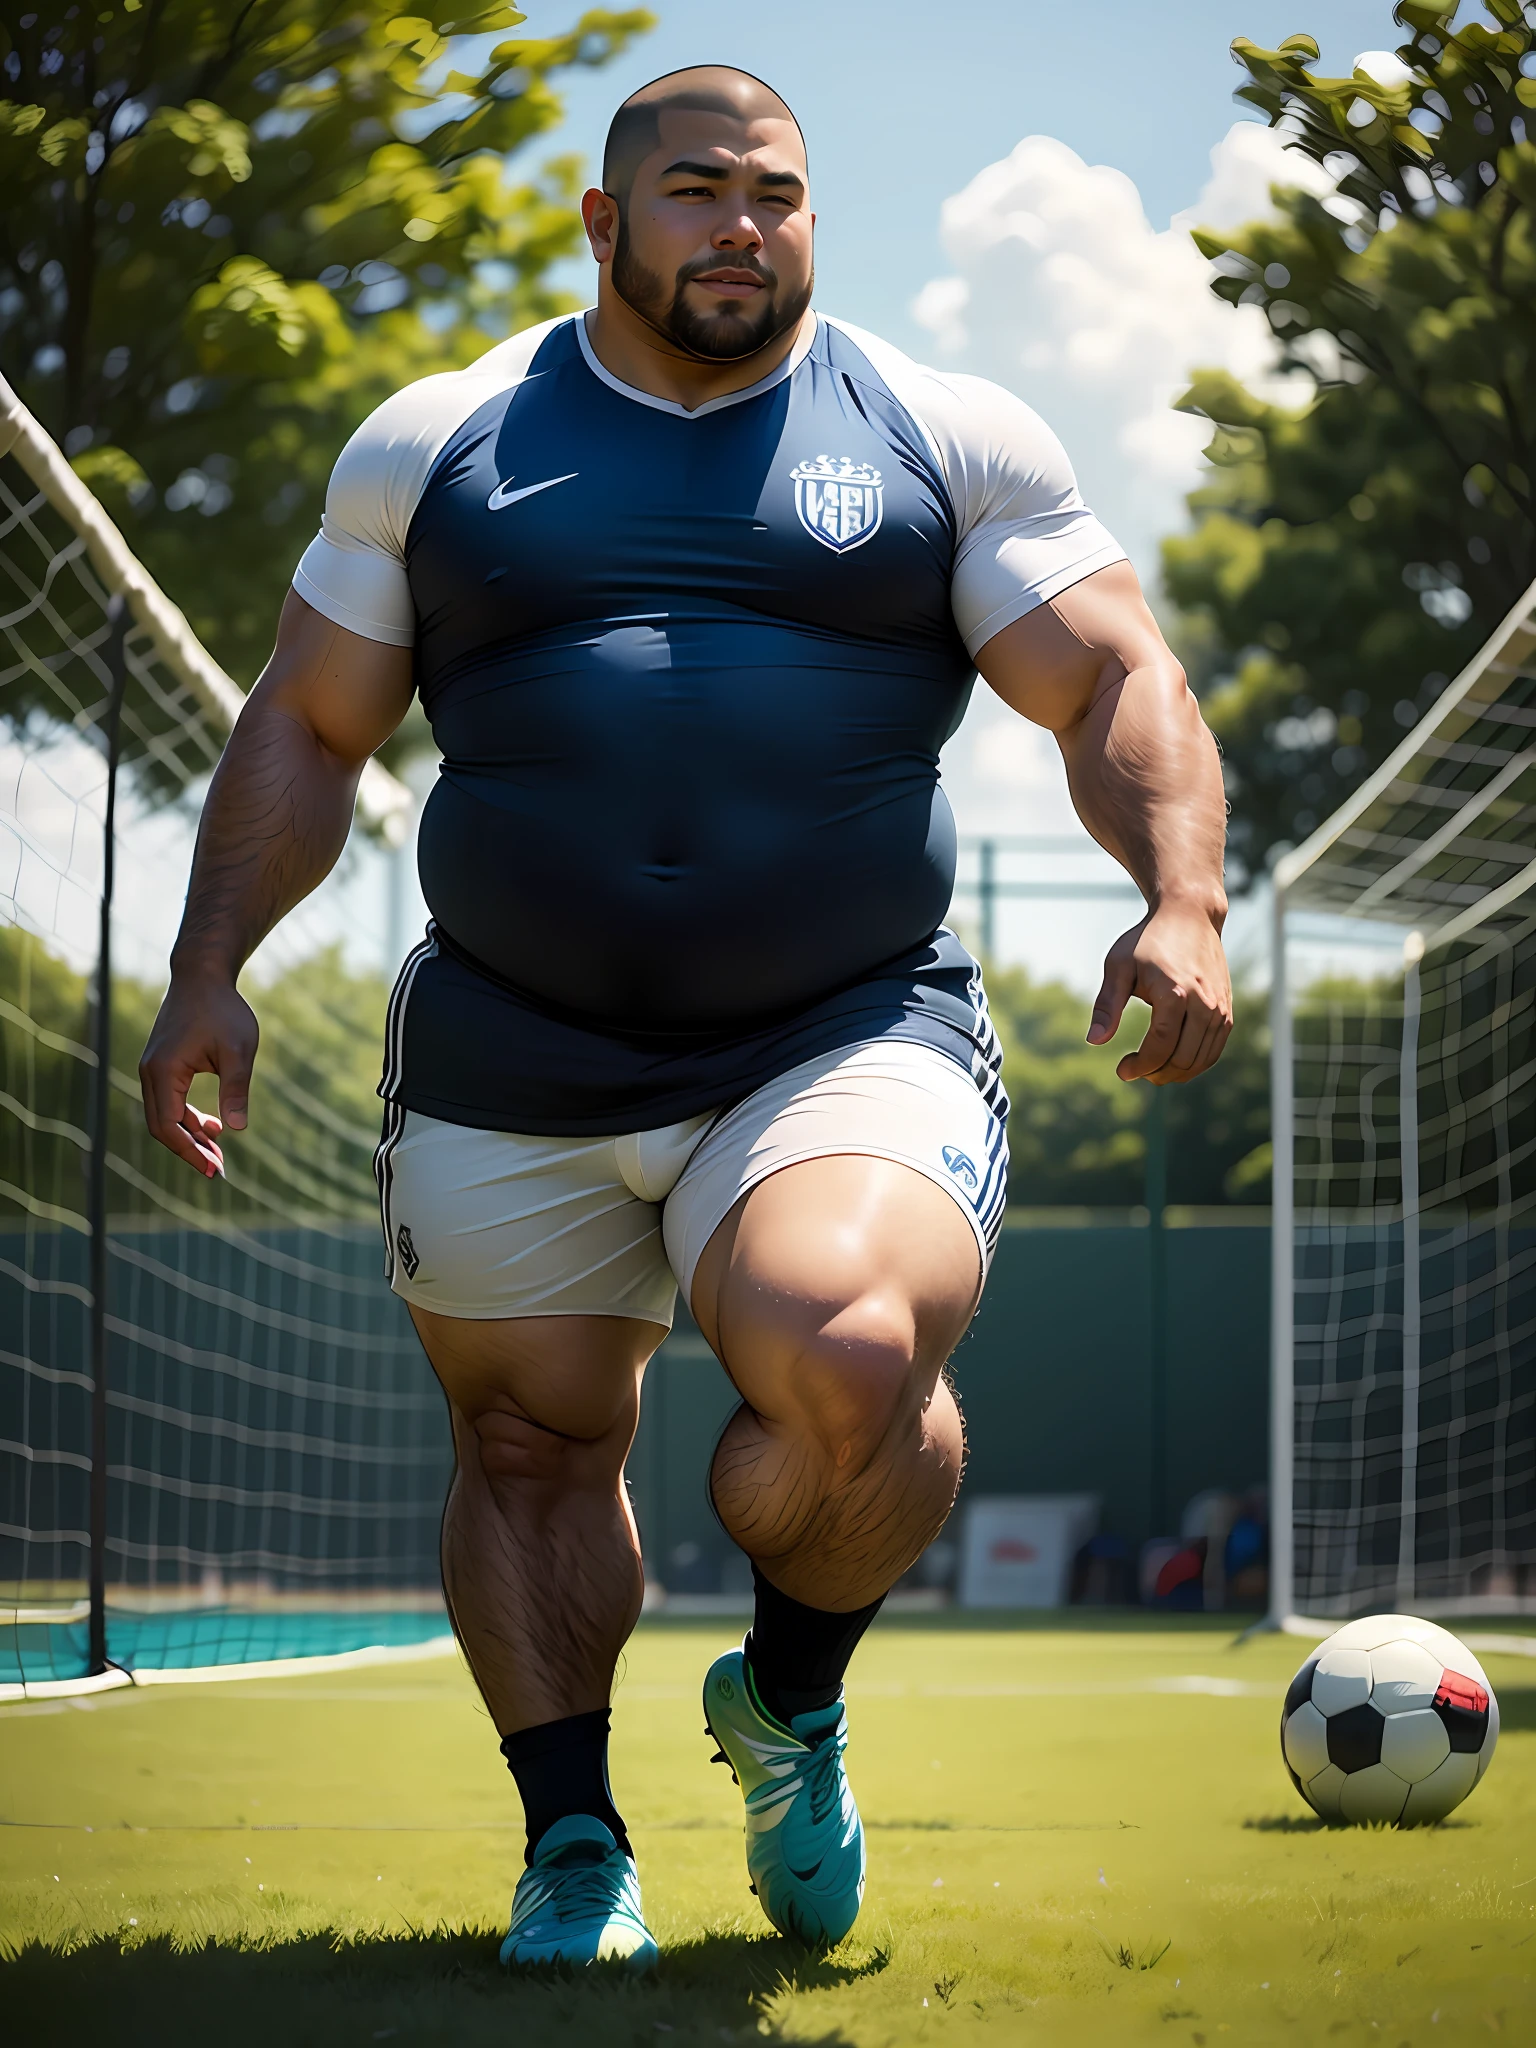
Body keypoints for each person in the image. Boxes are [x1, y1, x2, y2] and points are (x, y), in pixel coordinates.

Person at [139, 65, 1232, 1969]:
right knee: (527, 1457)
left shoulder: (937, 430)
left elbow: (1111, 677)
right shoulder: (442, 436)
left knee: (852, 1351)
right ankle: (576, 1849)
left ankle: (791, 1707)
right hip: (507, 1048)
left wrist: (1184, 899)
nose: (744, 225)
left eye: (780, 195)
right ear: (605, 221)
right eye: (698, 189)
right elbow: (310, 726)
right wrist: (208, 968)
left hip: (836, 1033)